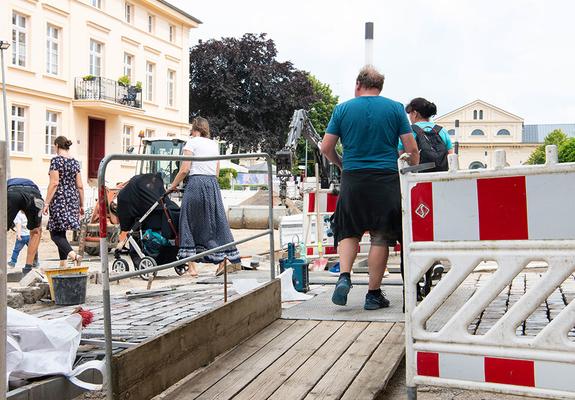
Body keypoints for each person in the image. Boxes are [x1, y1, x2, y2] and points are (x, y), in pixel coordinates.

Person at [321, 65, 419, 310]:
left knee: (348, 230)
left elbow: (325, 148)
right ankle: (373, 295)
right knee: (381, 236)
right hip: (385, 179)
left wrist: (341, 163)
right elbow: (411, 148)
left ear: (357, 84)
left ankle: (344, 276)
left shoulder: (342, 109)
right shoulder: (395, 108)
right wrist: (411, 173)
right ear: (380, 87)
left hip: (353, 178)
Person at [169, 117, 241, 277]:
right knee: (216, 223)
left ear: (194, 129)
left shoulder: (192, 142)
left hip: (196, 184)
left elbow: (185, 169)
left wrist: (173, 185)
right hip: (212, 185)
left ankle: (192, 268)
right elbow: (216, 171)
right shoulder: (213, 144)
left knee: (188, 222)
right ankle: (224, 260)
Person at [42, 136, 84, 267]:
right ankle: (63, 263)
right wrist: (81, 204)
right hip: (73, 199)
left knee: (55, 234)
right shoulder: (75, 162)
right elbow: (80, 185)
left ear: (57, 146)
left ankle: (74, 256)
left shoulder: (56, 161)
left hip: (60, 199)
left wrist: (46, 203)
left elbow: (54, 183)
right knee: (62, 232)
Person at [7, 178, 44, 275]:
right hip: (34, 195)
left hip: (12, 193)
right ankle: (28, 268)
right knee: (36, 231)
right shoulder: (33, 185)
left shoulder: (7, 183)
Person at [399, 97, 453, 164]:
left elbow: (400, 154)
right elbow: (451, 156)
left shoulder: (408, 131)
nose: (409, 116)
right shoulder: (441, 130)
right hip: (440, 172)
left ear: (415, 113)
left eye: (409, 113)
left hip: (416, 172)